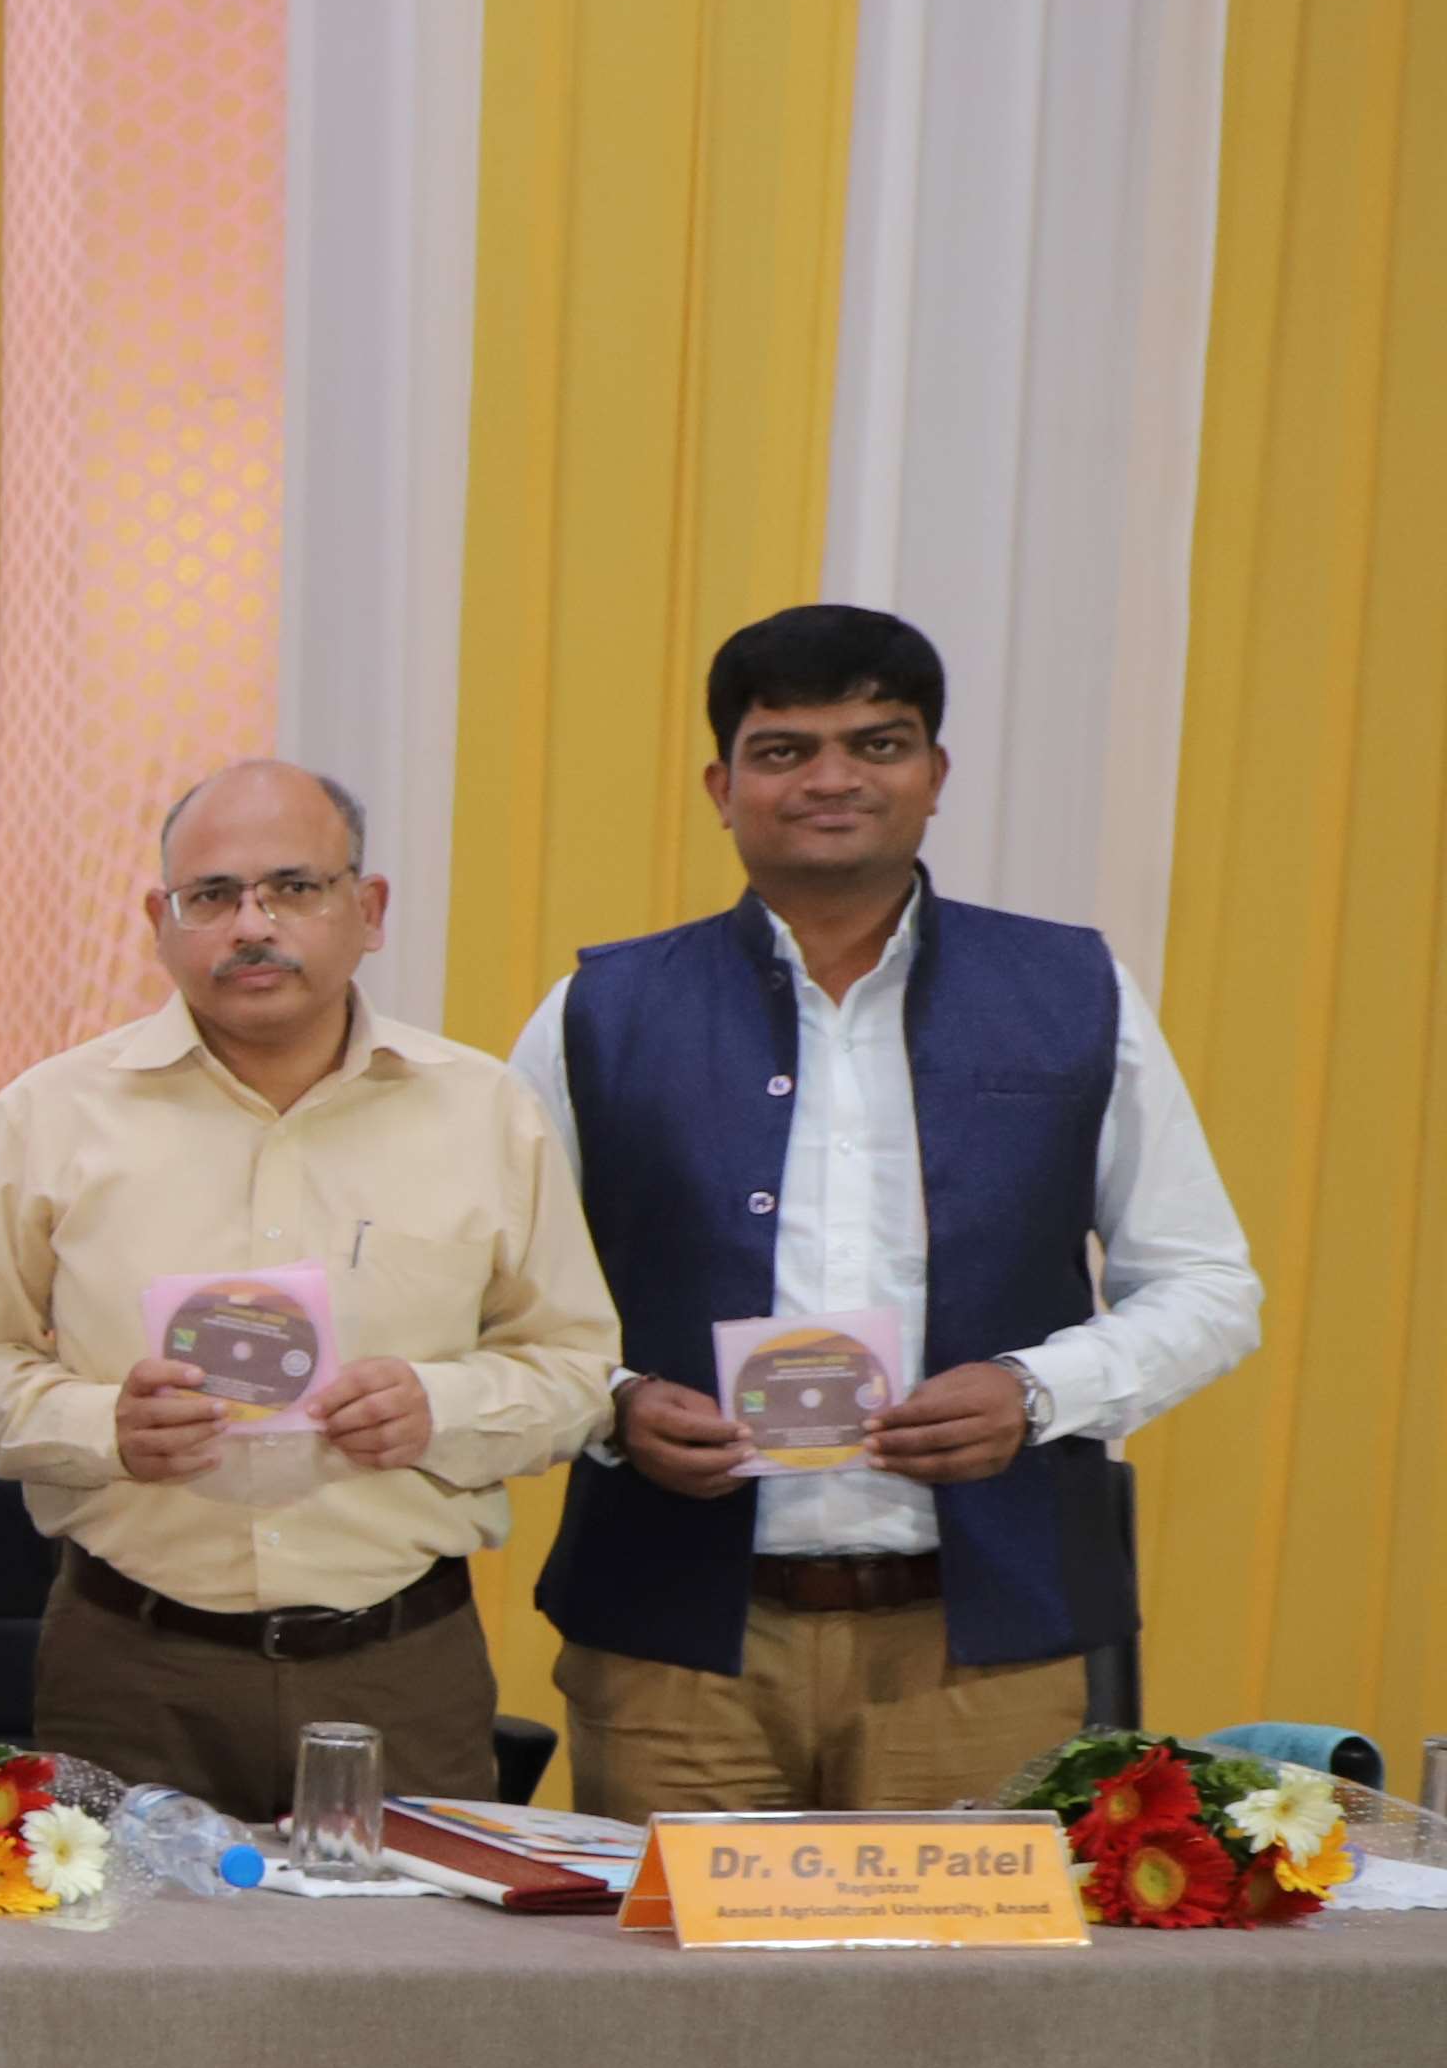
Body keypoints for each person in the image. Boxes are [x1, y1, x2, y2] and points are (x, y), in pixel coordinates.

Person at [511, 606, 1261, 1816]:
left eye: (877, 743)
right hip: (674, 1653)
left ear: (935, 773)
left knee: (960, 1952)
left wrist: (1035, 1390)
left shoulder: (1073, 992)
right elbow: (498, 1304)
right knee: (673, 1952)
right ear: (722, 786)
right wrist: (616, 1403)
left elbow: (1209, 1285)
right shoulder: (598, 1013)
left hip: (981, 1650)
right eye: (784, 749)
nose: (833, 779)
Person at [0, 757, 620, 1810]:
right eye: (211, 896)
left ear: (368, 909)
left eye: (294, 888)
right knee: (128, 1926)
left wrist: (441, 1406)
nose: (252, 925)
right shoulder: (47, 1117)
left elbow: (577, 1370)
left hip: (401, 1663)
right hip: (133, 1662)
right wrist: (106, 1426)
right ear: (159, 923)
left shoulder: (486, 1113)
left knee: (411, 1927)